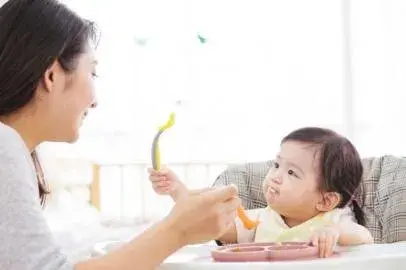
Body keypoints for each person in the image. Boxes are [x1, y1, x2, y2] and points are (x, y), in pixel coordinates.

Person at [0, 0, 241, 269]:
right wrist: (178, 230)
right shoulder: (4, 145)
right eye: (92, 72)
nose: (95, 101)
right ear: (52, 75)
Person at [149, 127, 374, 258]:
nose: (275, 176)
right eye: (277, 165)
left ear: (326, 200)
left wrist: (332, 233)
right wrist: (178, 191)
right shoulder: (258, 220)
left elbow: (364, 236)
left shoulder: (333, 220)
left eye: (292, 173)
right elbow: (210, 223)